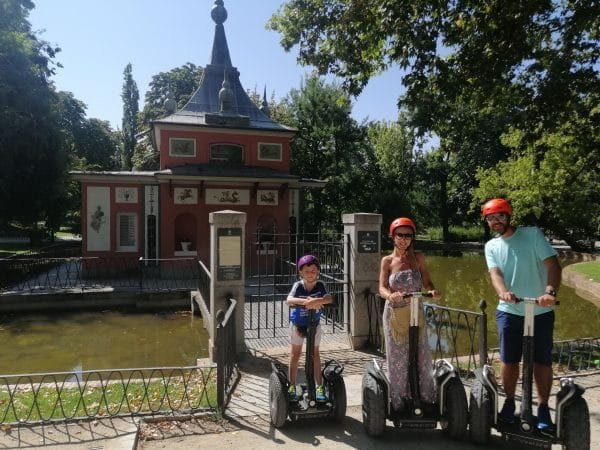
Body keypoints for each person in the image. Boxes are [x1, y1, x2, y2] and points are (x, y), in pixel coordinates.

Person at [482, 198, 561, 432]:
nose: (496, 221)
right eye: (491, 218)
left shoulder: (532, 235)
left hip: (541, 310)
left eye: (500, 216)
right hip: (509, 311)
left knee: (541, 361)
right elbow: (495, 274)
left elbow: (553, 266)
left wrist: (550, 291)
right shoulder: (491, 246)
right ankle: (509, 402)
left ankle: (544, 407)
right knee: (508, 360)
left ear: (509, 216)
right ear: (487, 221)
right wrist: (503, 292)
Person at [378, 217, 442, 411]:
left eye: (408, 235)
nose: (403, 239)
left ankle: (424, 397)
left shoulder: (418, 258)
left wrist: (432, 291)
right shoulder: (387, 261)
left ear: (412, 237)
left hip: (416, 311)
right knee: (398, 358)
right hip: (396, 314)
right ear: (393, 237)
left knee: (422, 354)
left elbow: (427, 282)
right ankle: (399, 400)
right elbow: (381, 287)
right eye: (400, 235)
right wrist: (391, 296)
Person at [286, 254, 333, 402]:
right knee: (295, 354)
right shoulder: (298, 285)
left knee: (315, 355)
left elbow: (329, 299)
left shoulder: (320, 285)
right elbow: (289, 300)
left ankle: (319, 386)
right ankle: (292, 385)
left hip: (314, 324)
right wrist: (307, 302)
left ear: (318, 271)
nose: (310, 273)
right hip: (298, 325)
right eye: (306, 271)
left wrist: (317, 300)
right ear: (300, 273)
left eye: (313, 270)